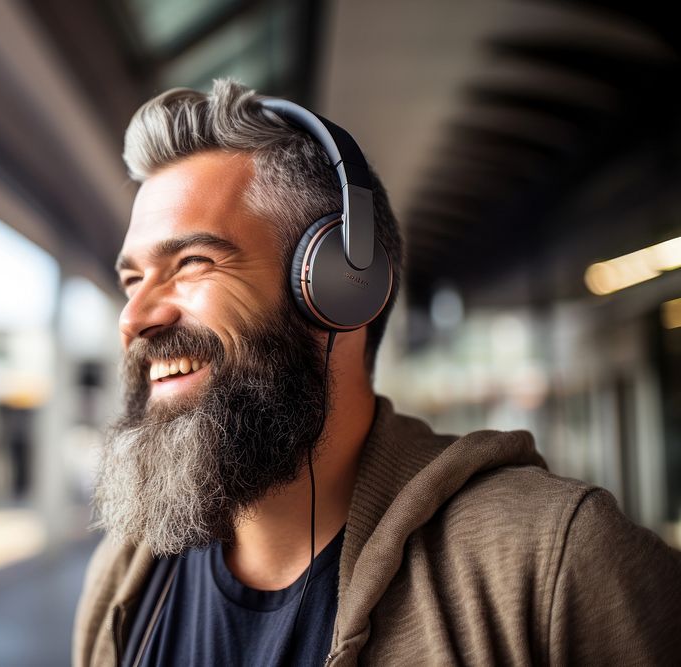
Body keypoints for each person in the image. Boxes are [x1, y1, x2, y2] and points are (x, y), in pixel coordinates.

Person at [73, 79, 681, 666]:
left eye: (192, 262)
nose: (135, 317)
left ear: (340, 287)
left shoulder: (552, 561)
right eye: (133, 278)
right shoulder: (126, 577)